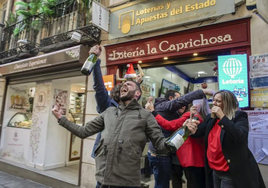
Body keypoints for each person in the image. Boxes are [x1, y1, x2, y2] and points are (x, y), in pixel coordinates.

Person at [52, 80, 198, 187]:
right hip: (102, 181)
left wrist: (184, 132)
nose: (124, 85)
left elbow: (161, 145)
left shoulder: (146, 115)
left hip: (126, 182)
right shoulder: (108, 112)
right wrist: (61, 118)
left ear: (138, 93)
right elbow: (83, 132)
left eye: (129, 84)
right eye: (123, 85)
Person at [187, 90, 266, 188]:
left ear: (227, 103)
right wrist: (191, 128)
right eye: (214, 100)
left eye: (218, 101)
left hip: (229, 170)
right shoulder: (211, 118)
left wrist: (222, 117)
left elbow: (240, 137)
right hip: (214, 169)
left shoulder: (239, 116)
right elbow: (199, 132)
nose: (214, 103)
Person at [146, 89, 213, 188]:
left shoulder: (191, 115)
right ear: (171, 99)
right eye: (178, 99)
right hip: (170, 153)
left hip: (187, 156)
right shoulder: (165, 106)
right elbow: (170, 125)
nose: (182, 102)